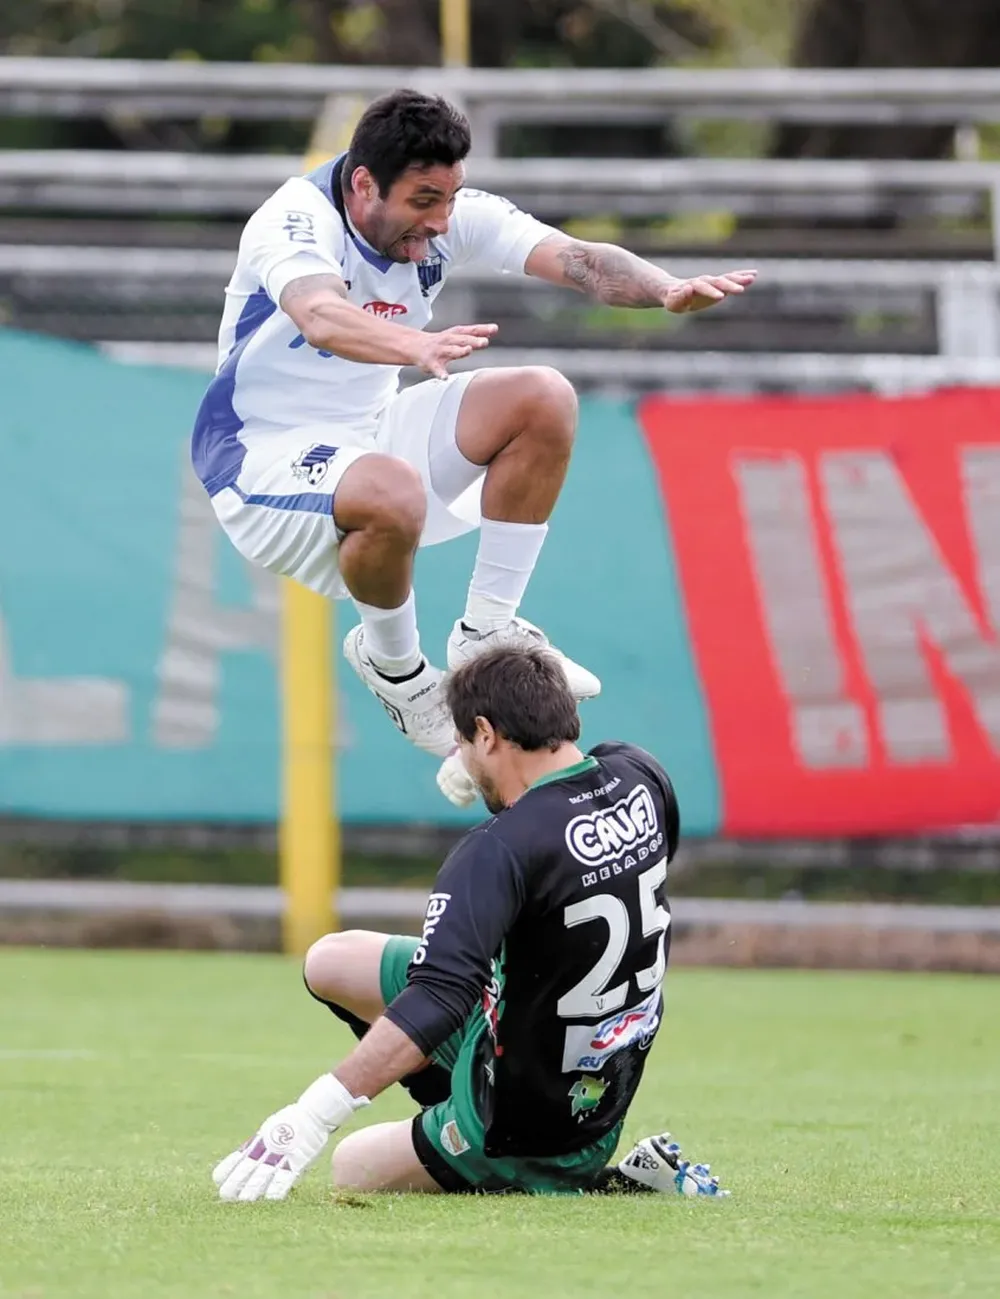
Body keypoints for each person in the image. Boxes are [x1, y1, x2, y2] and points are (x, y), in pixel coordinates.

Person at [190, 89, 757, 793]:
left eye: (451, 197)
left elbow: (580, 259)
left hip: (369, 439)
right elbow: (320, 316)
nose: (440, 220)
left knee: (543, 397)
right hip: (260, 460)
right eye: (425, 200)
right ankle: (398, 671)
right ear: (364, 184)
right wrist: (412, 345)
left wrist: (666, 287)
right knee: (389, 486)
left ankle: (487, 629)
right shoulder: (294, 219)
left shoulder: (447, 218)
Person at [212, 647, 727, 1200]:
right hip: (588, 1062)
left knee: (352, 1166)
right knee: (331, 962)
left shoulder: (499, 848)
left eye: (461, 741)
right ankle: (455, 1105)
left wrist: (313, 1113)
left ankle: (551, 1165)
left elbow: (440, 996)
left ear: (486, 733)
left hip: (530, 1126)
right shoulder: (638, 772)